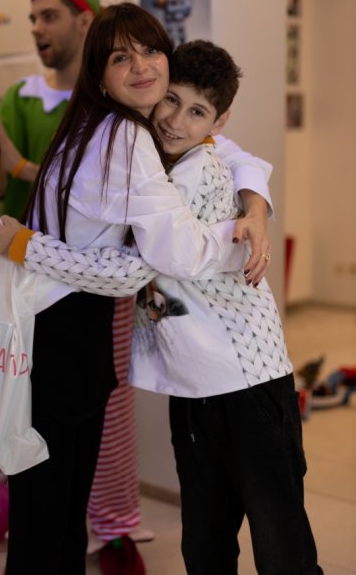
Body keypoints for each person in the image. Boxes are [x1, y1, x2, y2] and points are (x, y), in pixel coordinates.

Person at [0, 2, 275, 574]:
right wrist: (239, 243)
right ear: (100, 73)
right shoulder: (126, 136)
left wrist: (256, 206)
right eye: (121, 57)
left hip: (57, 332)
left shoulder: (99, 123)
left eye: (150, 50)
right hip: (64, 335)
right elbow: (149, 264)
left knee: (55, 513)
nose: (141, 66)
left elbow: (231, 151)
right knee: (51, 515)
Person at [0, 0, 153, 550]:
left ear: (85, 20)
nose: (37, 28)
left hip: (92, 286)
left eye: (49, 16)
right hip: (29, 286)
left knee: (102, 416)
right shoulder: (22, 97)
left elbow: (97, 199)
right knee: (44, 438)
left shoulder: (115, 106)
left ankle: (111, 525)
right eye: (32, 18)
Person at [124, 39, 322, 575]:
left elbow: (136, 266)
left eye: (196, 111)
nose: (175, 120)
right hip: (194, 386)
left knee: (280, 543)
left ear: (217, 121)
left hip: (250, 382)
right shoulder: (152, 157)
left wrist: (29, 251)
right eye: (171, 100)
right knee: (206, 541)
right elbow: (241, 157)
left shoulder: (197, 171)